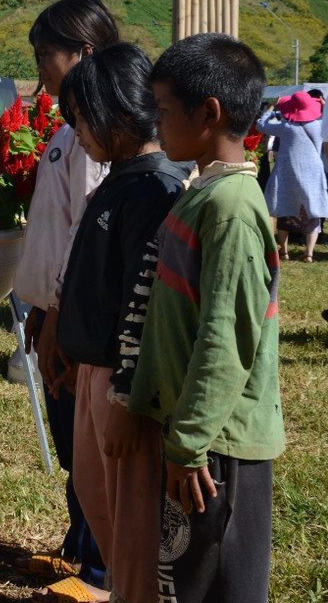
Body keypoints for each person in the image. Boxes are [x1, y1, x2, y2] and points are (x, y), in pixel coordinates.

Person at [131, 32, 285, 603]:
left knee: (217, 582)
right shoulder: (205, 193)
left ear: (209, 112)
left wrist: (190, 444)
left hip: (218, 448)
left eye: (165, 110)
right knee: (186, 579)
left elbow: (226, 341)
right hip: (194, 435)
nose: (157, 123)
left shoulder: (233, 211)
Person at [50, 42, 190, 603]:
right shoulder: (120, 178)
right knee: (99, 500)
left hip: (122, 385)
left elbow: (147, 306)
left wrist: (129, 396)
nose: (76, 130)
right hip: (94, 374)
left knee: (131, 523)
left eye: (82, 117)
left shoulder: (154, 190)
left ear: (118, 109)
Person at [11, 0, 117, 593]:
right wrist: (35, 308)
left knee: (90, 448)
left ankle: (101, 570)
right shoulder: (66, 130)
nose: (39, 67)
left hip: (73, 318)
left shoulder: (96, 136)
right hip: (51, 312)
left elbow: (83, 241)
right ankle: (79, 546)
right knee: (70, 439)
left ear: (83, 51)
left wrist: (55, 317)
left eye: (45, 53)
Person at [257, 90, 328, 263]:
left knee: (284, 211)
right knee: (313, 213)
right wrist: (325, 107)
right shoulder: (319, 126)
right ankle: (309, 253)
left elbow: (261, 125)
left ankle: (285, 252)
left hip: (287, 174)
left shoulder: (286, 127)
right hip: (312, 173)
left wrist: (272, 107)